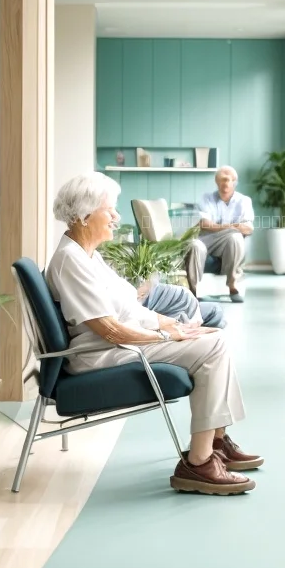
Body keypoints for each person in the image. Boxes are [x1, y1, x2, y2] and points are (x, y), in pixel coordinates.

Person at [45, 173, 263, 495]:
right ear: (84, 215)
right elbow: (109, 329)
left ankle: (216, 442)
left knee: (212, 336)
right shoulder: (71, 261)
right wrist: (166, 337)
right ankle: (200, 462)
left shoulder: (89, 255)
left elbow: (130, 311)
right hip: (103, 354)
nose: (116, 216)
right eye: (110, 209)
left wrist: (173, 326)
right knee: (214, 346)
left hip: (118, 345)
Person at [185, 166, 254, 302]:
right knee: (194, 244)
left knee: (235, 237)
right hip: (206, 240)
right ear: (217, 182)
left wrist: (223, 228)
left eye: (228, 180)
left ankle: (232, 284)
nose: (225, 183)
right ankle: (194, 291)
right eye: (222, 180)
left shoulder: (244, 201)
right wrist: (232, 226)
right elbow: (204, 224)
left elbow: (248, 228)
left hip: (228, 242)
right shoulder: (206, 198)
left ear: (234, 182)